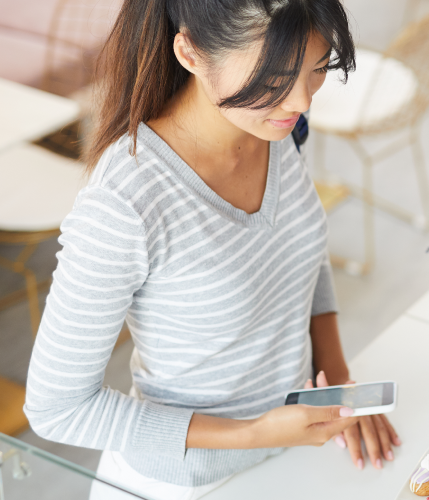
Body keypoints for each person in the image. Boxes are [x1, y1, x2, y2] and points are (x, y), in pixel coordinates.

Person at [23, 0, 400, 498]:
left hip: (290, 455)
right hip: (183, 482)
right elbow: (57, 408)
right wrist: (249, 434)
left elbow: (298, 255)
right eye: (275, 79)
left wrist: (340, 393)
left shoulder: (272, 127)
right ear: (191, 53)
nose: (302, 102)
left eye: (318, 69)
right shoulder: (126, 204)